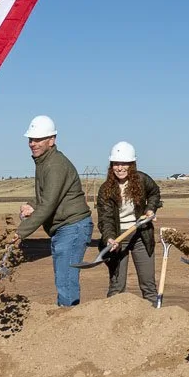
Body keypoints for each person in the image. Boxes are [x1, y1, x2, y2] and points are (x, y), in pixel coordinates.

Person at [16, 115, 93, 307]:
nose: (33, 144)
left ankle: (68, 321)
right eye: (31, 140)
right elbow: (49, 195)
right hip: (64, 228)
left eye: (38, 139)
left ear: (52, 140)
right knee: (63, 277)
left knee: (66, 279)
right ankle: (66, 317)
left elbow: (49, 203)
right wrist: (32, 204)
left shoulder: (55, 164)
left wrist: (20, 232)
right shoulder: (44, 161)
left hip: (72, 227)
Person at [95, 141, 161, 303]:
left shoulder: (142, 180)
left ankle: (155, 320)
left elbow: (154, 193)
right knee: (117, 287)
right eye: (116, 163)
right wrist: (109, 238)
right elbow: (106, 219)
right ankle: (110, 321)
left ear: (132, 164)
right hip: (118, 238)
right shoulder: (106, 189)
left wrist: (150, 209)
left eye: (125, 163)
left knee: (148, 285)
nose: (120, 167)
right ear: (111, 165)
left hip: (141, 235)